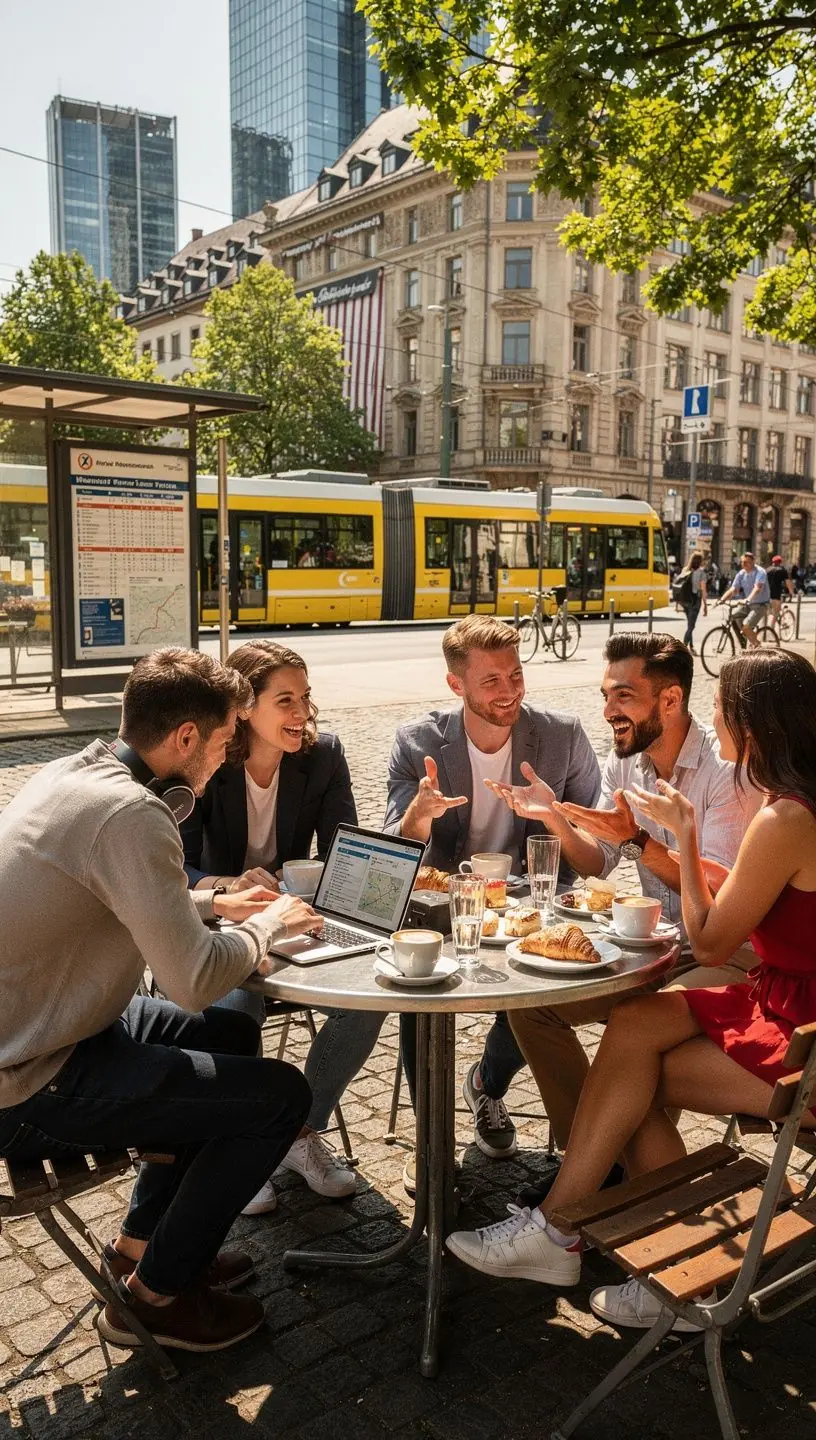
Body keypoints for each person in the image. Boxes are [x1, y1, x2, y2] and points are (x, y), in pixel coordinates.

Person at [446, 648, 816, 1331]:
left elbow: (710, 940)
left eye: (722, 706)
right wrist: (596, 826)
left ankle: (625, 1256)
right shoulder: (793, 804)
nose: (713, 715)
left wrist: (683, 829)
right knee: (637, 1030)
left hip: (797, 1035)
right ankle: (582, 1229)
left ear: (752, 722)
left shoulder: (782, 816)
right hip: (786, 1003)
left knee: (631, 1073)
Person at [0, 648, 321, 1354]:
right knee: (279, 1096)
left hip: (54, 1025)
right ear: (184, 739)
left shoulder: (79, 770)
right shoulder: (133, 813)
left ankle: (142, 1246)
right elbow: (195, 979)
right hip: (27, 1080)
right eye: (224, 738)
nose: (228, 752)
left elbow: (113, 891)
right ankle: (156, 1300)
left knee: (230, 1036)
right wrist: (268, 923)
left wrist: (214, 899)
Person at [496, 633, 762, 1175]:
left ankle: (596, 1181)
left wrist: (642, 842)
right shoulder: (628, 764)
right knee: (533, 1007)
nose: (608, 711)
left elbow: (714, 895)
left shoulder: (723, 769)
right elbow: (597, 861)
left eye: (622, 696)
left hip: (730, 957)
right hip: (658, 949)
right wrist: (554, 818)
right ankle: (596, 1162)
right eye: (605, 695)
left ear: (670, 699)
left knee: (632, 1035)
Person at [385, 613, 602, 1174]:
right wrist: (418, 817)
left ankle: (487, 1082)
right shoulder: (419, 742)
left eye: (515, 675)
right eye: (491, 681)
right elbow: (393, 853)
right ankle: (431, 1136)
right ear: (456, 684)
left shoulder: (561, 735)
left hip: (534, 906)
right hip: (445, 905)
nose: (508, 692)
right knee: (418, 990)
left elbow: (597, 857)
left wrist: (552, 814)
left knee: (541, 987)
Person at [181, 640, 381, 1209]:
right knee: (236, 1007)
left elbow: (346, 849)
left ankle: (295, 1133)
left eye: (306, 697)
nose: (302, 714)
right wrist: (228, 887)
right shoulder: (210, 763)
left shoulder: (323, 755)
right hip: (220, 927)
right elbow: (178, 864)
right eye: (285, 700)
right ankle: (240, 1143)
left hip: (296, 921)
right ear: (244, 707)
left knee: (367, 1000)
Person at [720, 551, 770, 648]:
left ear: (753, 562)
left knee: (746, 626)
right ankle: (744, 643)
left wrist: (748, 599)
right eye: (742, 562)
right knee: (733, 616)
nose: (744, 564)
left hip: (760, 604)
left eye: (747, 562)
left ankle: (758, 645)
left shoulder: (760, 572)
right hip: (748, 605)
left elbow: (757, 588)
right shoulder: (741, 573)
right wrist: (722, 599)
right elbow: (734, 588)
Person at [674, 552, 707, 652]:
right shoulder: (701, 573)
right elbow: (703, 590)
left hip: (685, 601)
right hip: (695, 601)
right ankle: (683, 648)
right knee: (691, 626)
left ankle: (691, 647)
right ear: (700, 561)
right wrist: (705, 605)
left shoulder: (685, 570)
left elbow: (679, 586)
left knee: (689, 625)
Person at [766, 554, 793, 621]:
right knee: (776, 613)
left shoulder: (767, 570)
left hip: (766, 595)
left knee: (766, 613)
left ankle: (765, 629)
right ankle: (772, 628)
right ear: (780, 562)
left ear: (772, 562)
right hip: (776, 595)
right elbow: (788, 582)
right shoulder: (782, 570)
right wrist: (791, 592)